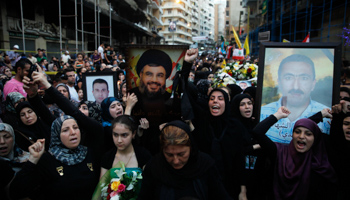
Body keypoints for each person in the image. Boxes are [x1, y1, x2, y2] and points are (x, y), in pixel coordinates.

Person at [253, 106, 337, 200]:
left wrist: (320, 115)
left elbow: (308, 126)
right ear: (292, 135)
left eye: (308, 134)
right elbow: (257, 132)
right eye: (297, 132)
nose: (301, 136)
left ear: (315, 139)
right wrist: (278, 115)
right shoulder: (280, 152)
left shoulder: (319, 165)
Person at [138, 120, 232, 200]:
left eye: (181, 154)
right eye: (169, 155)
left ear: (191, 148)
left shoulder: (205, 165)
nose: (176, 161)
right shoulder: (154, 167)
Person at [130, 48, 197, 154]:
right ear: (140, 74)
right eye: (149, 74)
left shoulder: (171, 98)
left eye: (160, 75)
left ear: (166, 78)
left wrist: (187, 63)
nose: (154, 80)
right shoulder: (131, 98)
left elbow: (182, 83)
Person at [190, 88, 248, 199]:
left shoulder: (235, 126)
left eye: (220, 98)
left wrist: (243, 190)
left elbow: (240, 159)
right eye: (212, 98)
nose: (215, 101)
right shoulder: (202, 125)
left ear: (226, 103)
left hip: (229, 185)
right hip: (205, 185)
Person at [260, 54, 331, 143]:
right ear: (279, 83)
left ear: (313, 84)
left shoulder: (328, 116)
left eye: (304, 78)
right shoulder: (262, 113)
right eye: (288, 78)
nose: (296, 86)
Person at [92, 115, 151, 200]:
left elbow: (150, 186)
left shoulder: (143, 155)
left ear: (133, 134)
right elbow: (101, 188)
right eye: (115, 135)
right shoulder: (107, 157)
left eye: (124, 135)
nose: (119, 140)